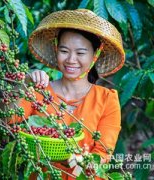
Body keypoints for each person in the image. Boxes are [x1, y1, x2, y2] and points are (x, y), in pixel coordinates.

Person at [10, 9, 125, 179]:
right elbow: (10, 122)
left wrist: (68, 157)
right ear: (56, 50)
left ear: (95, 54)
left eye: (80, 53)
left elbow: (103, 154)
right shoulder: (39, 91)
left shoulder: (107, 99)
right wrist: (23, 84)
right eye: (64, 51)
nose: (71, 59)